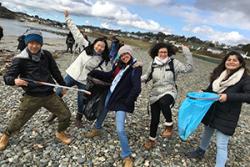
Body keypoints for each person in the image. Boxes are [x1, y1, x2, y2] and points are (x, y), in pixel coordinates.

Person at [0, 30, 72, 151]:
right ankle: (5, 136)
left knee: (66, 115)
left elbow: (55, 72)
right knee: (18, 119)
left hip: (49, 94)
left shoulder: (47, 55)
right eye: (31, 43)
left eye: (37, 43)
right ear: (27, 43)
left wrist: (63, 85)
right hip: (32, 96)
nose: (34, 46)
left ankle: (60, 132)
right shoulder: (20, 59)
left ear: (41, 44)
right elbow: (7, 77)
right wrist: (14, 81)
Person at [47, 10, 110, 128]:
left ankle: (78, 118)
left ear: (105, 49)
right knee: (58, 93)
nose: (100, 48)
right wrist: (67, 18)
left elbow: (104, 74)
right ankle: (56, 112)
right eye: (98, 45)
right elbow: (76, 32)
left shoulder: (102, 60)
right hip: (71, 75)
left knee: (81, 101)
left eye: (103, 46)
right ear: (94, 44)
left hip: (84, 81)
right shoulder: (86, 46)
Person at [186, 51, 250, 167]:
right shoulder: (220, 74)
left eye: (235, 60)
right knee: (207, 132)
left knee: (221, 143)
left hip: (227, 115)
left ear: (240, 63)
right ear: (225, 61)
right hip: (212, 110)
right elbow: (211, 90)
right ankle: (200, 151)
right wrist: (203, 92)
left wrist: (228, 96)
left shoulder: (245, 79)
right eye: (229, 59)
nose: (231, 62)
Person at [85, 45, 142, 167]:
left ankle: (126, 155)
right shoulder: (118, 65)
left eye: (126, 54)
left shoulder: (135, 68)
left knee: (120, 129)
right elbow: (110, 76)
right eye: (121, 55)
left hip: (122, 100)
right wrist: (95, 72)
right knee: (103, 111)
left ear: (130, 54)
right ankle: (97, 129)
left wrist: (128, 101)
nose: (124, 57)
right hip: (111, 94)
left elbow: (137, 88)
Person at [141, 43, 193, 150]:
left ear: (168, 53)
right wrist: (134, 77)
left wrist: (187, 52)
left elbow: (189, 68)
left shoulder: (174, 63)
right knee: (154, 120)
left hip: (169, 90)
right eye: (161, 52)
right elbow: (147, 76)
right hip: (155, 93)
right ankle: (151, 140)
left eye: (165, 52)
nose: (163, 54)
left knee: (164, 102)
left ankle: (169, 126)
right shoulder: (153, 64)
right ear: (157, 52)